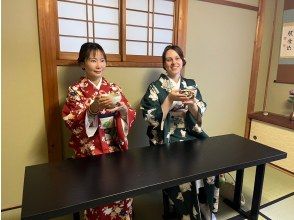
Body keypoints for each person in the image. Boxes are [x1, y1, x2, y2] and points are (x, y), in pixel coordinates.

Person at [140, 45, 219, 220]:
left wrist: (191, 104)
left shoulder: (190, 84)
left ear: (183, 61)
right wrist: (169, 99)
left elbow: (199, 113)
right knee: (181, 170)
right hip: (166, 138)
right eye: (169, 59)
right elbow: (150, 118)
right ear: (164, 64)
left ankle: (206, 206)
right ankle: (190, 213)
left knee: (213, 163)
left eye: (177, 58)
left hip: (190, 134)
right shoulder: (155, 87)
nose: (173, 62)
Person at [62, 42, 136, 220]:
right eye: (93, 60)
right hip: (90, 152)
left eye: (102, 60)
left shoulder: (114, 88)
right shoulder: (75, 91)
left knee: (122, 194)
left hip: (115, 149)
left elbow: (130, 113)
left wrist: (122, 110)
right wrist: (92, 109)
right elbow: (71, 120)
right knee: (96, 198)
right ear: (82, 64)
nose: (99, 65)